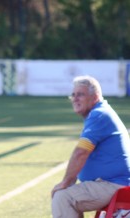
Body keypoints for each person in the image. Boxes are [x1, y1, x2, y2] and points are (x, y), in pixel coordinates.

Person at [51, 75, 130, 218]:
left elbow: (81, 152)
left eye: (80, 94)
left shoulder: (99, 115)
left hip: (114, 184)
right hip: (113, 183)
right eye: (73, 95)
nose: (75, 98)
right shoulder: (100, 113)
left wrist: (67, 181)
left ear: (96, 96)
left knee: (62, 197)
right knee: (65, 195)